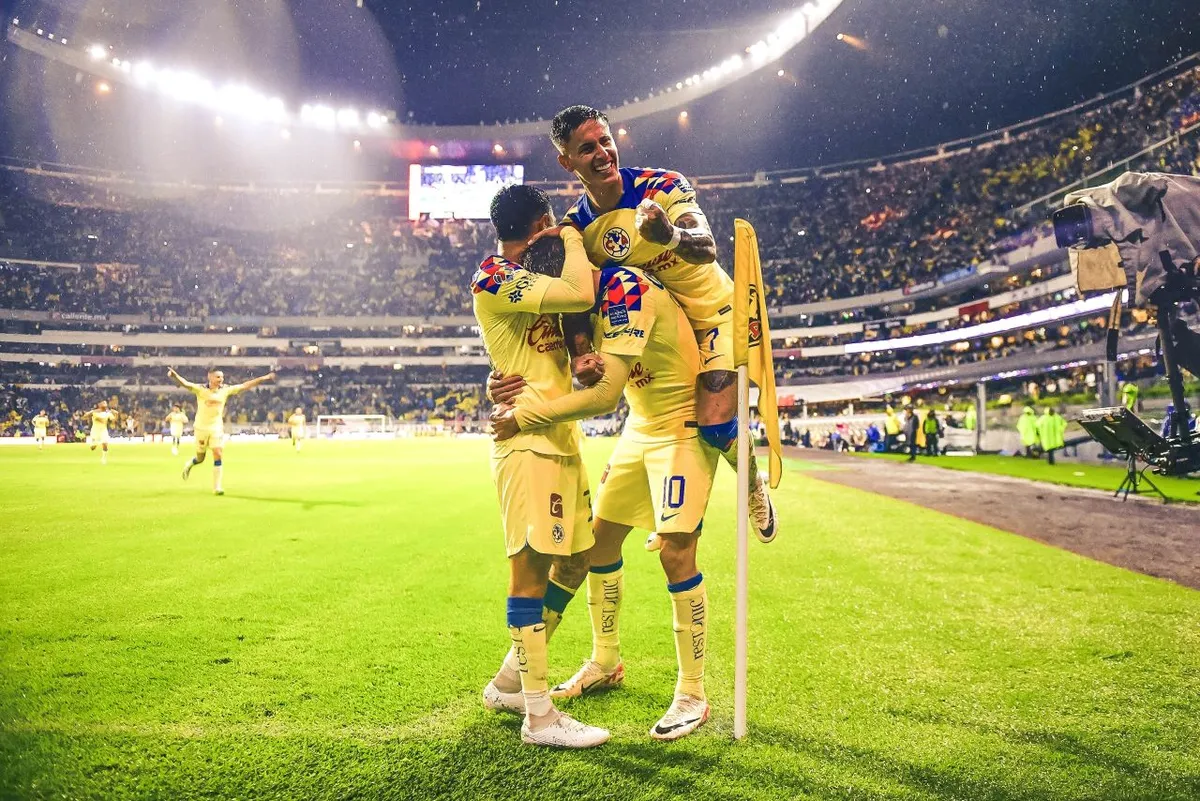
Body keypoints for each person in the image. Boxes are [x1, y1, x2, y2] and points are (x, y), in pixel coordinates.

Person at [491, 249, 719, 741]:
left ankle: (693, 692)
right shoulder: (581, 312)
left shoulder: (624, 288)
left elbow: (601, 397)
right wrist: (500, 380)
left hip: (681, 426)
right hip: (640, 428)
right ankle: (605, 661)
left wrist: (520, 416)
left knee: (677, 553)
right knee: (599, 545)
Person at [549, 104, 778, 544]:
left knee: (713, 425)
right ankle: (672, 511)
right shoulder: (576, 228)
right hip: (658, 335)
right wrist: (580, 352)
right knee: (658, 425)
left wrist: (669, 236)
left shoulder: (663, 185)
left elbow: (707, 246)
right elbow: (577, 298)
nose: (602, 154)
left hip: (712, 314)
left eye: (605, 141)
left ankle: (753, 484)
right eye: (586, 148)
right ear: (567, 161)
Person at [472, 185, 608, 749]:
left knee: (577, 559)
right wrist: (575, 235)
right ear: (543, 223)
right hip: (524, 439)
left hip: (560, 434)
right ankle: (539, 716)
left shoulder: (537, 286)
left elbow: (562, 331)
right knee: (529, 573)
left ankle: (510, 679)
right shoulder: (495, 277)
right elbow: (579, 292)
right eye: (552, 225)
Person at [167, 367, 275, 495]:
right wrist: (175, 376)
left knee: (218, 453)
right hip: (201, 428)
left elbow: (245, 385)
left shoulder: (225, 390)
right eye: (218, 377)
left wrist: (264, 378)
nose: (221, 379)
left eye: (222, 377)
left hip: (216, 427)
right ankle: (189, 464)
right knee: (200, 458)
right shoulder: (200, 389)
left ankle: (217, 487)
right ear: (210, 377)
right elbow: (185, 383)